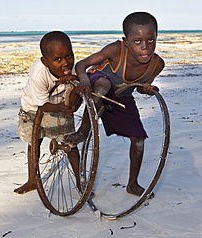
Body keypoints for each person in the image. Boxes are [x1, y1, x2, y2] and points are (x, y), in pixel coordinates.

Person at [66, 12, 165, 198]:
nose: (145, 47)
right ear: (126, 41)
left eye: (150, 40)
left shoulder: (157, 64)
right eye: (137, 41)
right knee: (103, 85)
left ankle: (133, 184)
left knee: (139, 139)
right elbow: (82, 64)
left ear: (156, 38)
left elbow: (139, 90)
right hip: (97, 85)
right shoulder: (116, 51)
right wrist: (85, 81)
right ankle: (83, 131)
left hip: (121, 96)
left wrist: (148, 89)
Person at [14, 31, 82, 195]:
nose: (65, 63)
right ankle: (32, 180)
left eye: (69, 56)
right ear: (45, 61)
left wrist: (74, 81)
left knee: (69, 143)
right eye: (58, 59)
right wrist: (61, 108)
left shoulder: (74, 69)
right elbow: (42, 105)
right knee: (34, 142)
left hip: (59, 106)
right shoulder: (39, 74)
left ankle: (80, 182)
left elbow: (77, 97)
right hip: (33, 108)